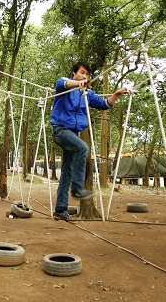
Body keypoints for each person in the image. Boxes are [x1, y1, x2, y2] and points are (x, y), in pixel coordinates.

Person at [50, 61, 129, 221]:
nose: (84, 76)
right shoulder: (63, 85)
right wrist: (78, 83)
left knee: (67, 172)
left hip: (74, 134)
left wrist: (117, 94)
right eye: (82, 72)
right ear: (74, 72)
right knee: (83, 148)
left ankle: (60, 210)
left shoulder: (86, 94)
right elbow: (66, 83)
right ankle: (77, 188)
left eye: (86, 74)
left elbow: (105, 104)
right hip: (60, 130)